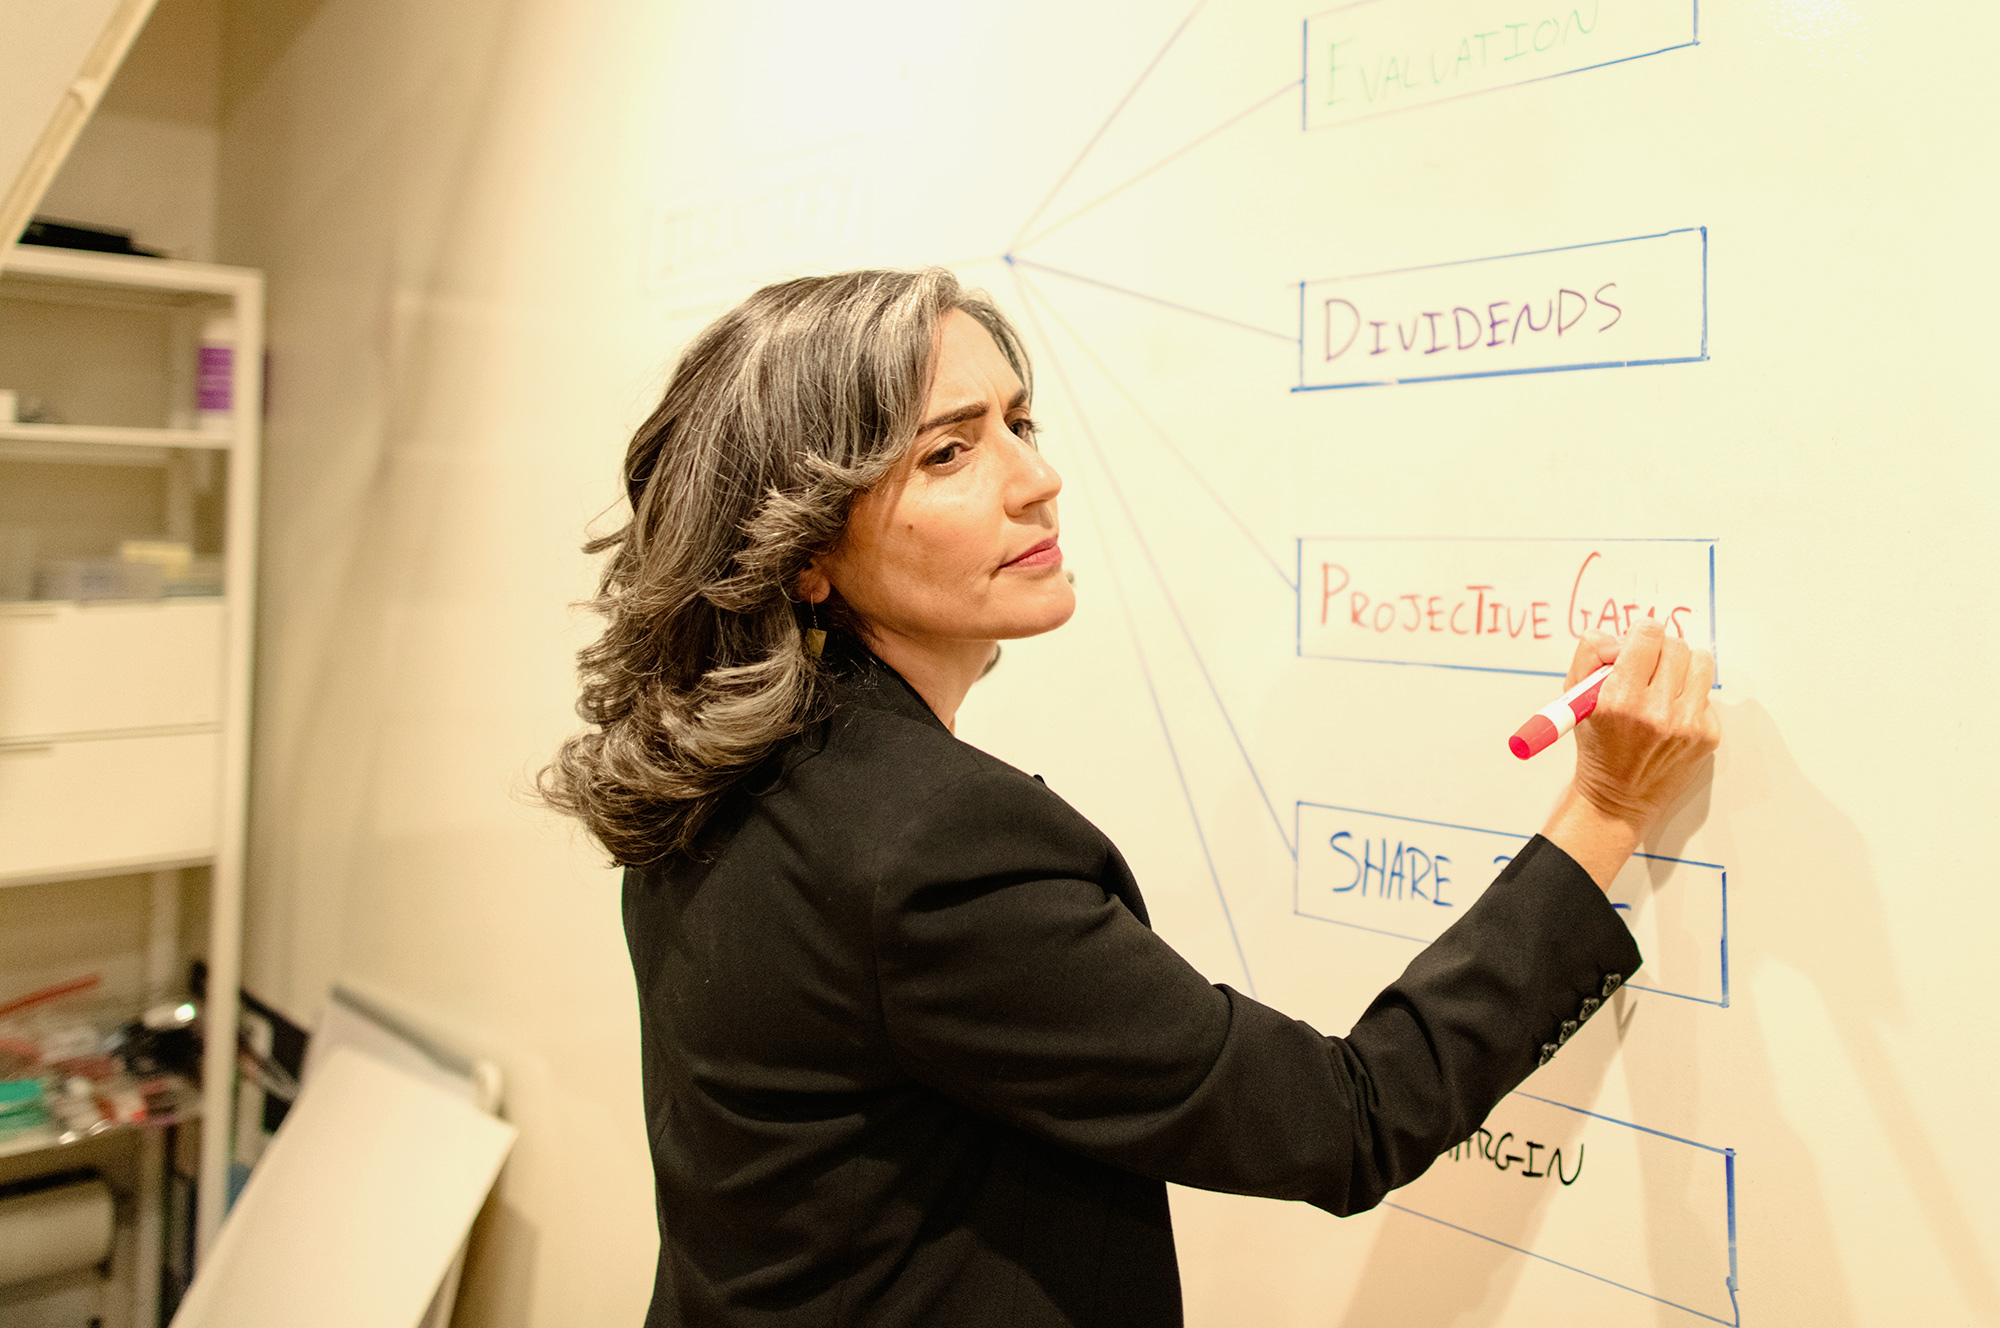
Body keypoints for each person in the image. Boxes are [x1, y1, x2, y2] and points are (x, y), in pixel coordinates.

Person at [541, 269, 1720, 1328]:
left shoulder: (710, 767)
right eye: (946, 452)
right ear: (800, 547)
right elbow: (1348, 1119)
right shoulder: (931, 850)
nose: (1037, 478)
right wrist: (1606, 807)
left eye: (1018, 421)